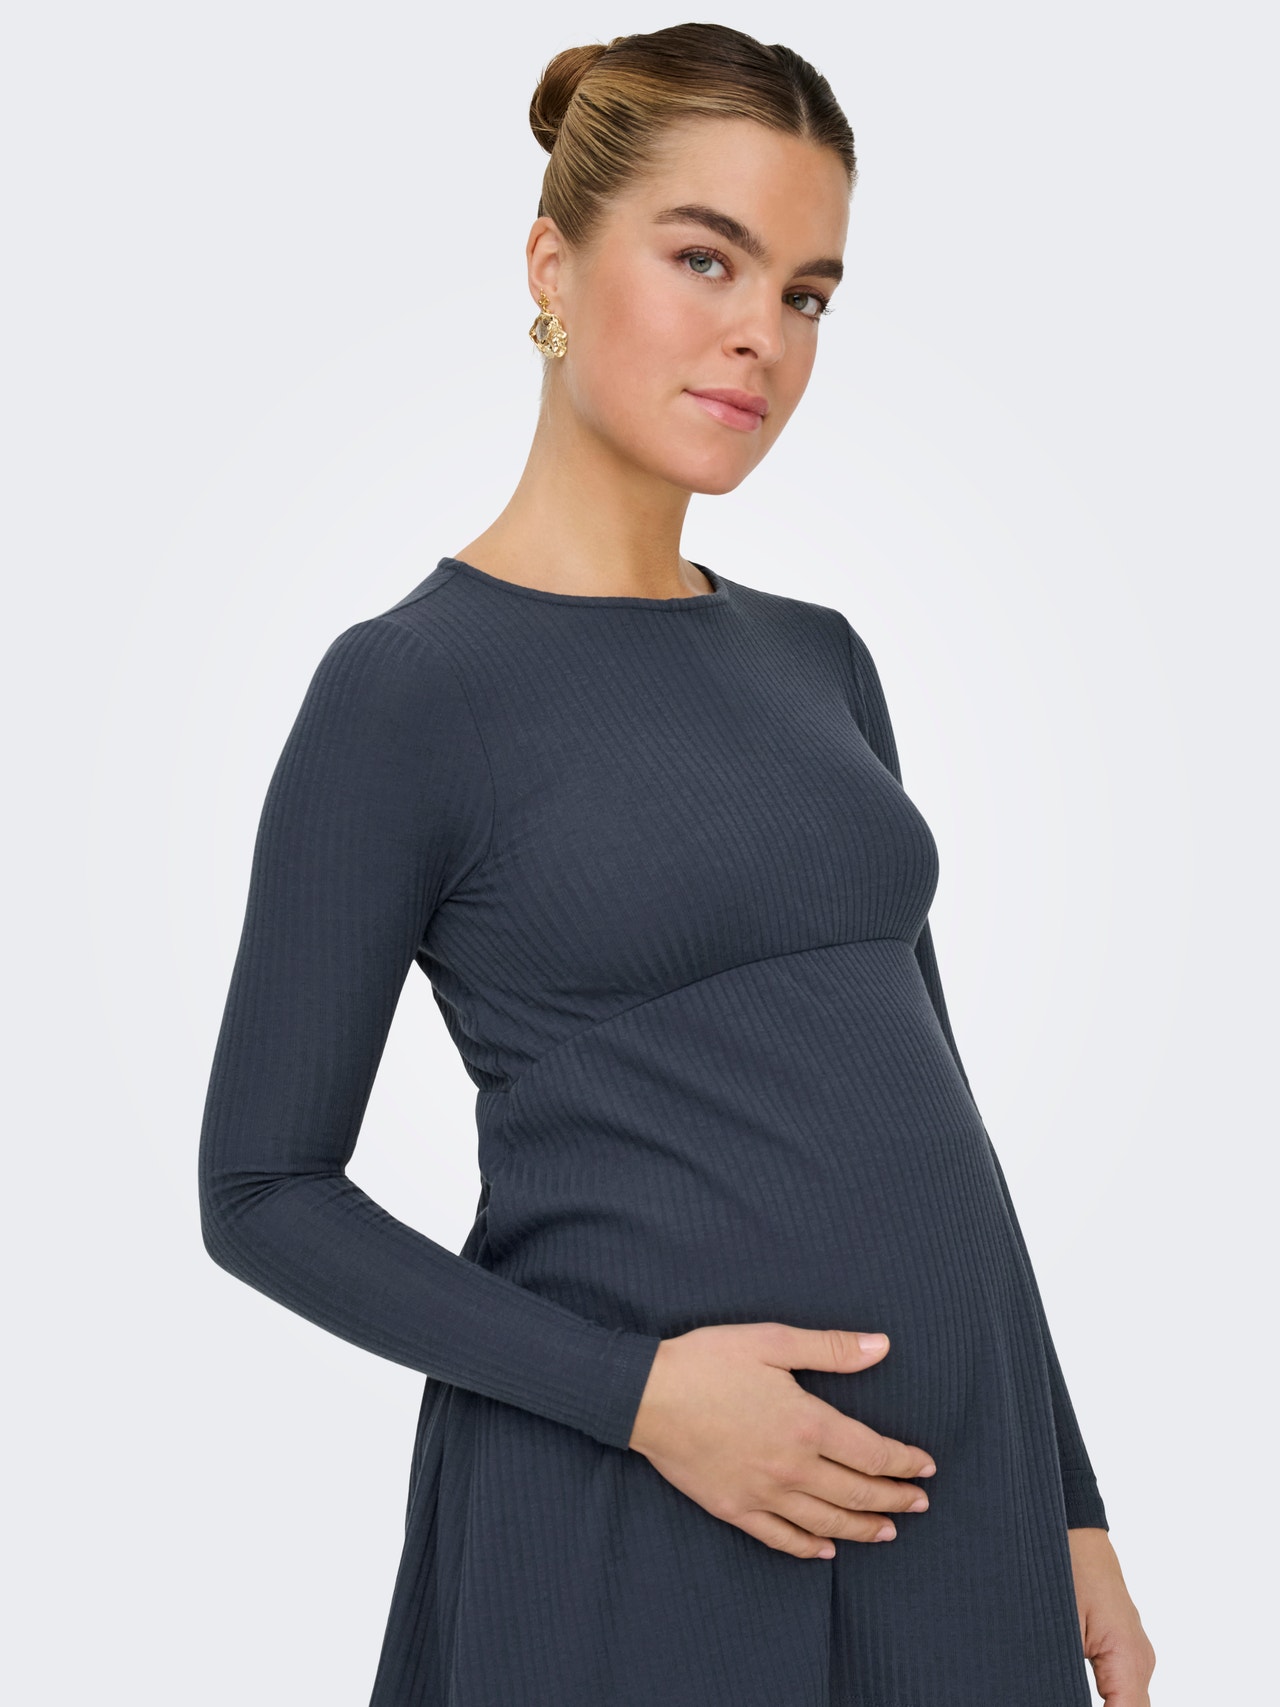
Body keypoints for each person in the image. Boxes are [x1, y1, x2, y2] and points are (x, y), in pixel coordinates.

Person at [198, 22, 1156, 1707]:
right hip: (637, 1512)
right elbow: (262, 1193)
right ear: (552, 267)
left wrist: (1069, 1501)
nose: (760, 333)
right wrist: (638, 1398)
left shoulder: (821, 659)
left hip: (954, 1496)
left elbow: (938, 1105)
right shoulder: (408, 689)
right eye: (706, 257)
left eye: (806, 292)